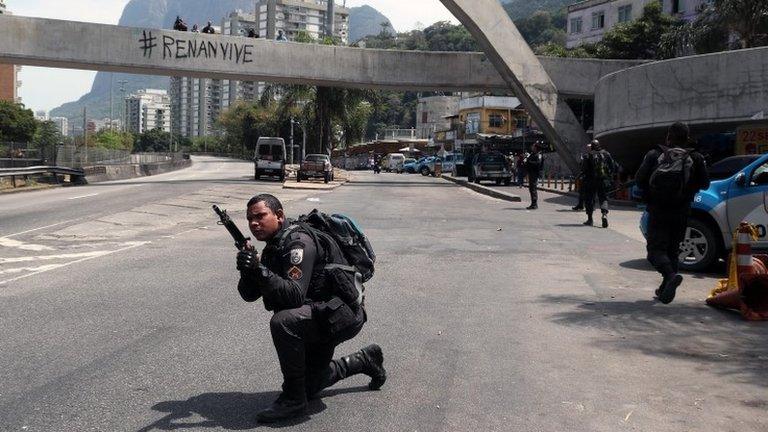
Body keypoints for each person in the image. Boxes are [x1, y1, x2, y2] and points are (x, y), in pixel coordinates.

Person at [235, 194, 386, 422]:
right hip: (318, 317)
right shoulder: (273, 247)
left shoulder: (298, 243)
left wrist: (260, 271)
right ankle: (363, 360)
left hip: (339, 316)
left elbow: (294, 295)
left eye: (260, 216)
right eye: (249, 219)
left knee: (283, 322)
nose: (254, 223)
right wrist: (248, 269)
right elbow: (249, 295)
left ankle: (293, 401)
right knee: (310, 386)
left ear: (279, 215)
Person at [635, 123, 710, 304]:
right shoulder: (696, 157)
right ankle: (664, 288)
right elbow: (706, 184)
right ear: (687, 137)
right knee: (672, 250)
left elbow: (639, 180)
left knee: (654, 251)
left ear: (669, 136)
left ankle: (669, 276)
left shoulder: (655, 155)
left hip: (658, 210)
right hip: (682, 211)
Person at [582, 139, 617, 228]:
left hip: (590, 181)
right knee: (603, 198)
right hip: (602, 180)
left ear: (592, 146)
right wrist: (609, 177)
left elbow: (584, 169)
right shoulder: (606, 154)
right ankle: (604, 214)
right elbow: (612, 167)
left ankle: (590, 219)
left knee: (589, 199)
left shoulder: (588, 155)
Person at [572, 142, 592, 211]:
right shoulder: (590, 156)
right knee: (583, 192)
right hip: (589, 177)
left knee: (586, 193)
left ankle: (587, 207)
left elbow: (584, 168)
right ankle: (581, 205)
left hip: (588, 177)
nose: (587, 149)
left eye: (588, 148)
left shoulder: (588, 156)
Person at [525, 143, 543, 209]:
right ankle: (533, 203)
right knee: (531, 188)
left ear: (536, 148)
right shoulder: (532, 154)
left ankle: (534, 204)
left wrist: (529, 162)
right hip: (531, 172)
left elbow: (538, 163)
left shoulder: (539, 155)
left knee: (533, 188)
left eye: (533, 146)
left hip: (534, 173)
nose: (532, 147)